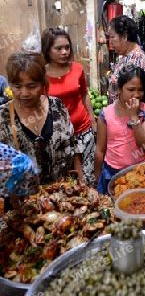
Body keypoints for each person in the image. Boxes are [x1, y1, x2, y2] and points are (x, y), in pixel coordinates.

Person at [0, 52, 74, 196]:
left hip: (63, 198)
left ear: (43, 83)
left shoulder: (57, 106)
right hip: (23, 205)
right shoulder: (3, 117)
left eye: (31, 86)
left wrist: (80, 180)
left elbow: (73, 144)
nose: (24, 93)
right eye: (17, 86)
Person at [41, 27, 96, 186]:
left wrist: (93, 121)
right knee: (66, 181)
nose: (64, 51)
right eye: (58, 48)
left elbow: (84, 94)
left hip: (83, 130)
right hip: (58, 136)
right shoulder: (40, 75)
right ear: (48, 50)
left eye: (67, 47)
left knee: (87, 178)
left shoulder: (77, 69)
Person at [95, 65, 145, 194]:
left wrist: (134, 117)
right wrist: (97, 177)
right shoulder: (106, 114)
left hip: (140, 173)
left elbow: (144, 144)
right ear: (119, 89)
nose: (136, 95)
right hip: (112, 173)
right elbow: (100, 150)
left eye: (140, 90)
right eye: (131, 89)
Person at [107, 15, 145, 104]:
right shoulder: (125, 56)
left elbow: (134, 97)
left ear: (125, 36)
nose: (110, 41)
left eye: (112, 37)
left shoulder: (137, 59)